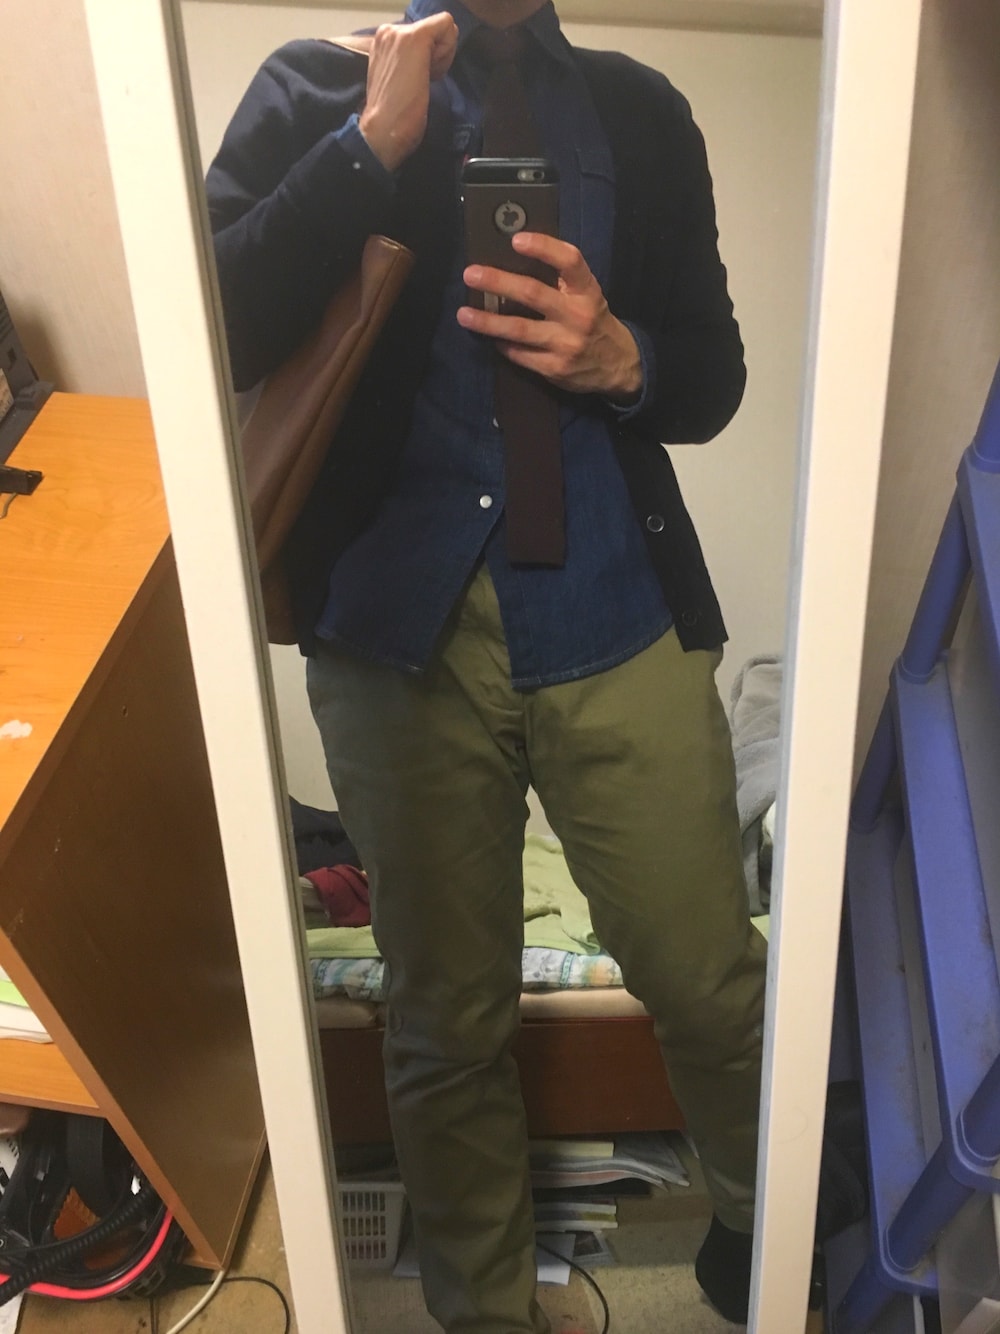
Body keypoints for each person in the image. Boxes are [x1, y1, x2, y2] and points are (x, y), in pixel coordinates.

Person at [207, 2, 767, 1329]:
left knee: (710, 979)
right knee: (446, 1022)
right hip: (394, 623)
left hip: (614, 605)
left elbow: (714, 377)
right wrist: (367, 149)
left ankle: (766, 1224)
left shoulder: (642, 110)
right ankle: (488, 1316)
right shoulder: (313, 88)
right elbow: (214, 327)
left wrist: (626, 357)